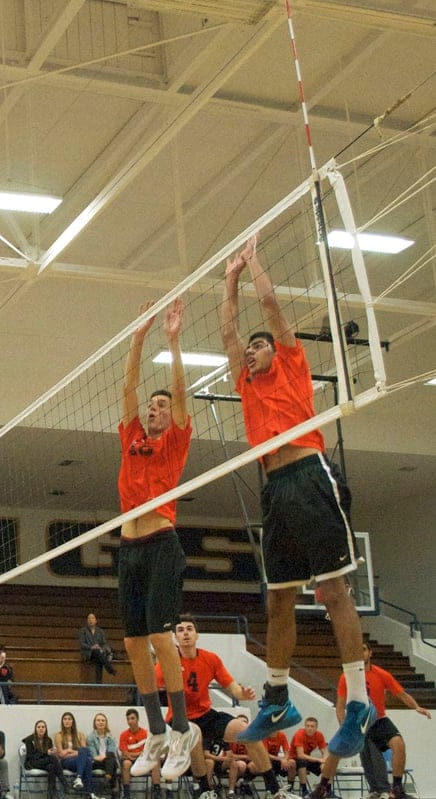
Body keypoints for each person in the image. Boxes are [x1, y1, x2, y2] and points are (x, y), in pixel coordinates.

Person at [220, 235, 374, 757]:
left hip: (309, 474)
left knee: (333, 593)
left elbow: (271, 309)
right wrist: (228, 279)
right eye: (250, 349)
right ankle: (277, 695)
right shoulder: (246, 385)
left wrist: (255, 263)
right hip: (275, 489)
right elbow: (227, 330)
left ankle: (357, 703)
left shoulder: (290, 363)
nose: (251, 351)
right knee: (278, 599)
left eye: (258, 346)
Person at [118, 299, 195, 781]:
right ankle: (157, 731)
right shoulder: (130, 436)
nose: (154, 408)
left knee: (160, 635)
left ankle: (183, 728)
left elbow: (183, 396)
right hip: (129, 548)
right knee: (131, 643)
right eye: (153, 405)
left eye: (162, 406)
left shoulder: (176, 442)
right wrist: (139, 334)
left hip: (162, 544)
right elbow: (128, 386)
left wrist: (172, 340)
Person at [158, 615, 295, 799]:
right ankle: (205, 790)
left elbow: (232, 686)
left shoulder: (210, 658)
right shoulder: (168, 662)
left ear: (197, 635)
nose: (185, 633)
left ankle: (274, 790)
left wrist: (242, 693)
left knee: (248, 732)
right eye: (180, 630)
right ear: (175, 637)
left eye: (189, 629)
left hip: (206, 714)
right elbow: (152, 686)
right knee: (195, 733)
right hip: (180, 718)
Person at [337, 642, 430, 799]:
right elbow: (340, 707)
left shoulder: (382, 674)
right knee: (368, 757)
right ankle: (376, 790)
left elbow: (401, 694)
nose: (361, 653)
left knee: (398, 744)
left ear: (370, 653)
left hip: (379, 719)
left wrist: (416, 706)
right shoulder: (347, 677)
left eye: (364, 650)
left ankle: (397, 788)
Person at [23, 720, 71, 799]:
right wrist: (46, 753)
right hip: (32, 762)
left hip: (44, 762)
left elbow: (48, 756)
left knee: (51, 766)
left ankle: (50, 795)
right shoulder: (29, 740)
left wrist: (52, 752)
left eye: (43, 727)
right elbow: (31, 756)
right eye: (39, 727)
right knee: (52, 759)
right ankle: (64, 783)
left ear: (46, 729)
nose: (41, 729)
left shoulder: (48, 740)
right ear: (35, 729)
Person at [119, 709, 159, 799]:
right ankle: (126, 793)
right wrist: (137, 754)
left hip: (143, 759)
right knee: (126, 763)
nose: (130, 721)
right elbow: (124, 753)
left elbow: (147, 751)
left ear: (137, 719)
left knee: (155, 763)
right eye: (128, 719)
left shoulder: (145, 733)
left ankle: (157, 791)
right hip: (130, 760)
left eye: (132, 718)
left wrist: (135, 755)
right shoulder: (123, 735)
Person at [52, 711, 94, 794]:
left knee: (87, 759)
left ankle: (80, 780)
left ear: (73, 721)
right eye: (65, 719)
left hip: (78, 762)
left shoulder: (80, 734)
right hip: (66, 762)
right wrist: (71, 751)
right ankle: (89, 792)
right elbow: (61, 755)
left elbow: (85, 751)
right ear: (62, 721)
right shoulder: (59, 735)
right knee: (86, 759)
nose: (67, 721)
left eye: (69, 719)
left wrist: (68, 751)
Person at [290, 718, 327, 794]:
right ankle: (304, 790)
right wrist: (318, 759)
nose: (309, 728)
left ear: (316, 728)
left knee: (328, 765)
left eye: (312, 726)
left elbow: (325, 752)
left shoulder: (319, 735)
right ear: (305, 726)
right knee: (302, 761)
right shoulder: (299, 734)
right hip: (295, 759)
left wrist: (324, 761)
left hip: (307, 758)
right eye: (308, 726)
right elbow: (300, 755)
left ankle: (326, 788)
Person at [87, 713, 119, 798]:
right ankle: (112, 788)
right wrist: (102, 757)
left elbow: (112, 751)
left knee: (111, 757)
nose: (100, 722)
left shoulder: (110, 736)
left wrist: (105, 756)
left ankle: (106, 780)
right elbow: (93, 755)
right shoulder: (90, 737)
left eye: (103, 720)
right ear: (95, 723)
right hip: (96, 763)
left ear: (106, 723)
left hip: (108, 761)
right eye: (98, 720)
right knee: (112, 762)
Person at [80, 614, 117, 682]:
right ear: (87, 621)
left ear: (96, 621)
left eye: (92, 618)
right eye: (89, 618)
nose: (91, 620)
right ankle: (110, 669)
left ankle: (99, 682)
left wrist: (101, 648)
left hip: (99, 653)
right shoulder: (83, 631)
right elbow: (82, 644)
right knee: (98, 653)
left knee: (99, 657)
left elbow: (104, 643)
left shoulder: (100, 631)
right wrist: (92, 647)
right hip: (88, 653)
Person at [262, 731, 297, 795]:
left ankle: (290, 789)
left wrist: (285, 759)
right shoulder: (264, 735)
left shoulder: (281, 735)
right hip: (266, 761)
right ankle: (271, 791)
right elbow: (265, 754)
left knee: (292, 762)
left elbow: (287, 751)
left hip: (276, 760)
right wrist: (281, 759)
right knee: (267, 762)